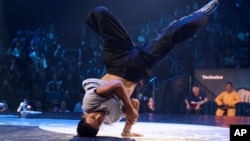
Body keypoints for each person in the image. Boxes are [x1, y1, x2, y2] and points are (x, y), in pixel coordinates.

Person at [77, 0, 220, 137]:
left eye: (93, 117)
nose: (98, 116)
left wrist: (130, 111)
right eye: (98, 122)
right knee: (168, 37)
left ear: (85, 115)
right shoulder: (111, 119)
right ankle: (201, 14)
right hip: (137, 67)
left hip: (116, 61)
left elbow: (116, 85)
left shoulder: (89, 103)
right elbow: (135, 103)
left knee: (100, 12)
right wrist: (127, 128)